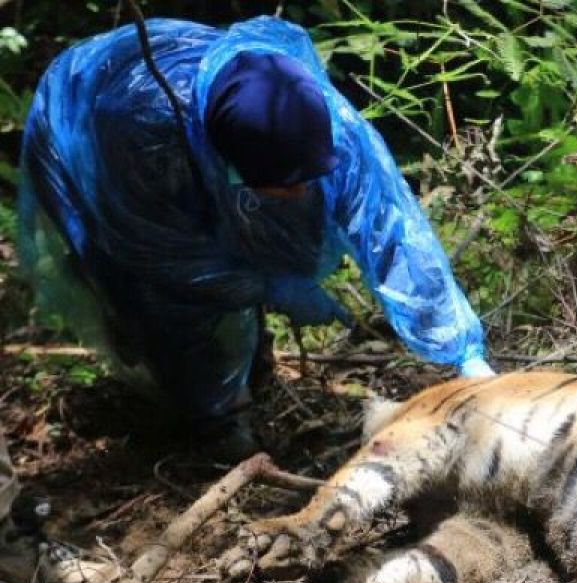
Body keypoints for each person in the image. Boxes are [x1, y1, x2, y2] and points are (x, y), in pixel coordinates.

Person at [18, 16, 495, 461]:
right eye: (285, 183)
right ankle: (211, 418)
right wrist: (268, 286)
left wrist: (462, 351)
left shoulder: (319, 122)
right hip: (77, 121)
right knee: (153, 300)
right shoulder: (143, 134)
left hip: (193, 142)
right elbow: (166, 260)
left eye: (306, 179)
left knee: (266, 241)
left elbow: (393, 230)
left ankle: (251, 368)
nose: (300, 192)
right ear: (230, 162)